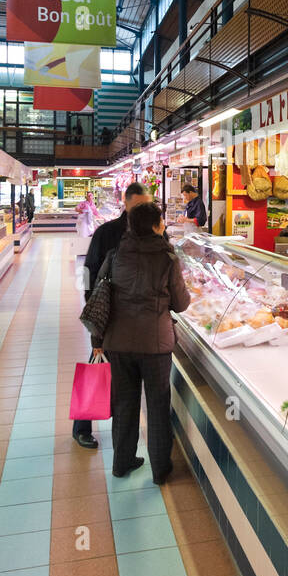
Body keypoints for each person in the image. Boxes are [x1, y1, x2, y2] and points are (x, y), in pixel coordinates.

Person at [96, 201, 190, 483]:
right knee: (158, 404)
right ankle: (161, 469)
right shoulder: (167, 258)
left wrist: (97, 339)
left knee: (124, 403)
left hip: (119, 343)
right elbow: (181, 304)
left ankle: (121, 463)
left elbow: (100, 298)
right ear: (155, 226)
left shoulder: (115, 255)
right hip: (155, 345)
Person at [73, 182, 149, 449]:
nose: (143, 211)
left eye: (147, 206)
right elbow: (88, 273)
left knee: (123, 381)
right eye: (139, 206)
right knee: (97, 365)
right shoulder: (106, 233)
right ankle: (82, 426)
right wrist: (95, 324)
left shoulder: (152, 233)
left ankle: (125, 439)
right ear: (125, 204)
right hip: (110, 316)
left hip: (140, 319)